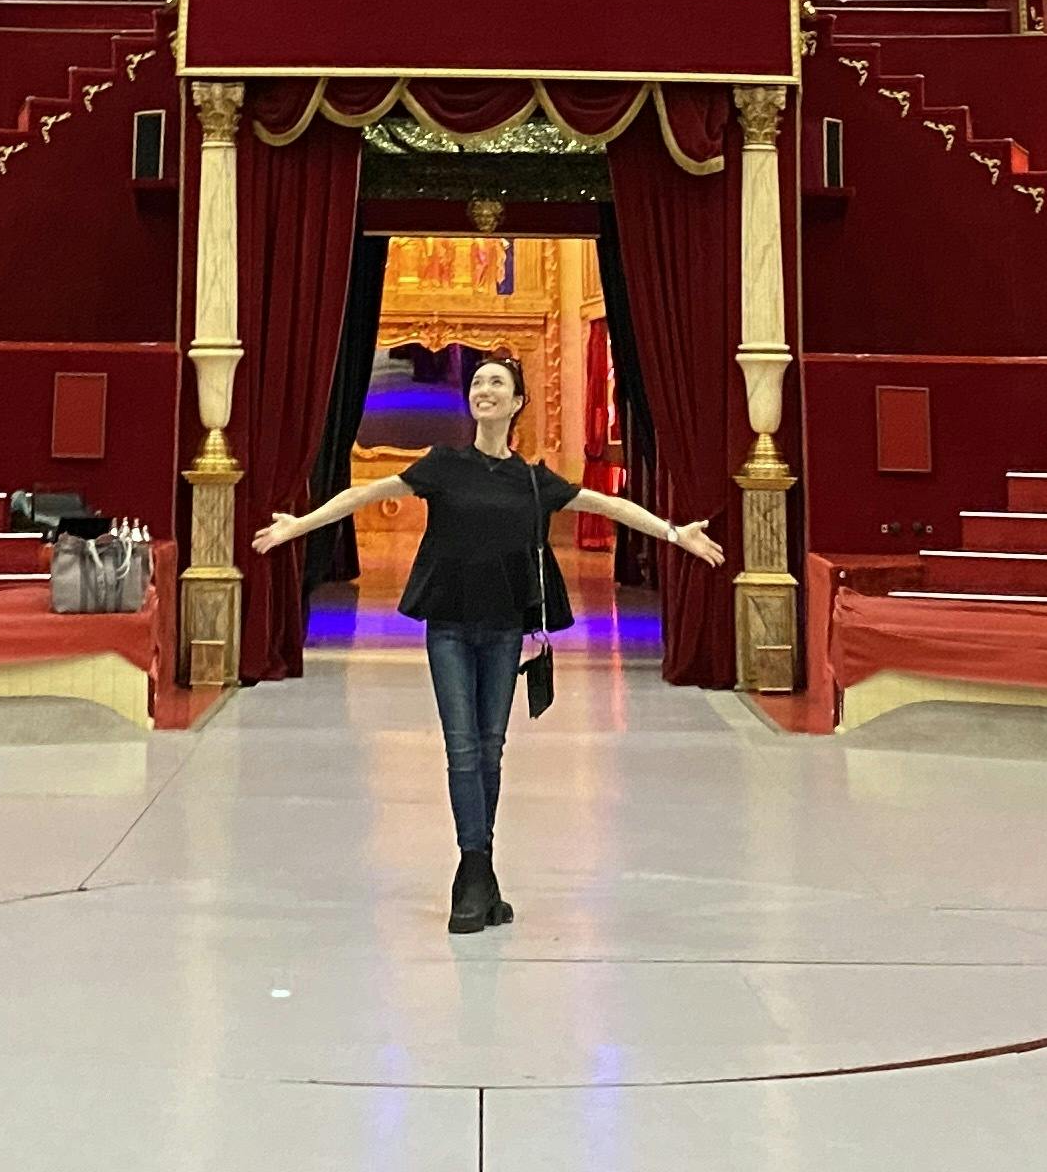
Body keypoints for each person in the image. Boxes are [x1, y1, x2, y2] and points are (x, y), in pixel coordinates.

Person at [251, 350, 724, 936]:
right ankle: (472, 869)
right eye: (477, 382)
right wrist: (299, 525)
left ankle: (481, 872)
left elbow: (606, 504)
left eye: (497, 382)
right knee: (463, 748)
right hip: (449, 628)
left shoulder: (533, 481)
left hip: (503, 631)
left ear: (517, 402)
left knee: (491, 747)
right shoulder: (444, 465)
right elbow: (365, 494)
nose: (484, 389)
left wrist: (674, 533)